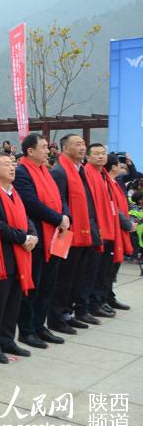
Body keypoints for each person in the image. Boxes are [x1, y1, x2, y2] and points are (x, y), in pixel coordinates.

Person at [13, 133, 69, 349]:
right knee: (33, 286)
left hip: (55, 236)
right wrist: (58, 218)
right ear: (30, 151)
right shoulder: (22, 173)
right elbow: (31, 203)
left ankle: (40, 325)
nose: (48, 151)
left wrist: (65, 215)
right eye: (44, 147)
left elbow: (60, 198)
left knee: (48, 285)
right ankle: (26, 330)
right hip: (38, 237)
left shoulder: (46, 171)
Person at [0, 152, 37, 364]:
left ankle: (7, 339)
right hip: (3, 256)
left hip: (19, 254)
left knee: (13, 301)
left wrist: (32, 235)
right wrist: (24, 237)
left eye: (13, 164)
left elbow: (26, 217)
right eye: (7, 165)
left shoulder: (13, 192)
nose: (12, 168)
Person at [48, 135, 101, 335]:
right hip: (68, 233)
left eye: (83, 144)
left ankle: (67, 313)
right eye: (77, 144)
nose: (82, 147)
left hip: (83, 231)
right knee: (64, 278)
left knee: (76, 277)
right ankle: (56, 317)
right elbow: (59, 201)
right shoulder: (60, 171)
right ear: (65, 148)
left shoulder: (79, 169)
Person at [81, 144, 121, 321]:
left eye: (103, 153)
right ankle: (90, 304)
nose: (100, 156)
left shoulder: (103, 175)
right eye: (96, 153)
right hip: (96, 230)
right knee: (92, 272)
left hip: (108, 228)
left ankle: (100, 300)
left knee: (104, 269)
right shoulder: (87, 173)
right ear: (88, 158)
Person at [102, 154, 135, 310]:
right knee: (107, 269)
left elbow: (133, 175)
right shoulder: (106, 183)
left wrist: (130, 162)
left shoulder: (117, 181)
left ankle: (109, 296)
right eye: (120, 165)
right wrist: (127, 224)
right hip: (113, 228)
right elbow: (113, 207)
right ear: (114, 167)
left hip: (119, 227)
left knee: (112, 269)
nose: (123, 168)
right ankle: (103, 298)